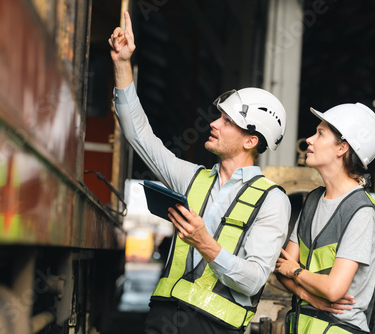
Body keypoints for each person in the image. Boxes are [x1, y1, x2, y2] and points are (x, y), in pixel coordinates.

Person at [109, 11, 291, 334]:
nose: (214, 124)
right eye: (218, 117)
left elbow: (253, 280)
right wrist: (123, 65)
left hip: (214, 327)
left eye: (227, 121)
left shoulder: (272, 202)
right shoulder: (193, 178)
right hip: (162, 318)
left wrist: (205, 243)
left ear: (251, 139)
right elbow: (139, 137)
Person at [274, 103, 375, 334]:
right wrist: (306, 294)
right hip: (302, 324)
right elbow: (281, 268)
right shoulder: (312, 201)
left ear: (342, 148)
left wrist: (296, 272)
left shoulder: (361, 212)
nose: (309, 140)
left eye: (320, 134)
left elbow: (333, 290)